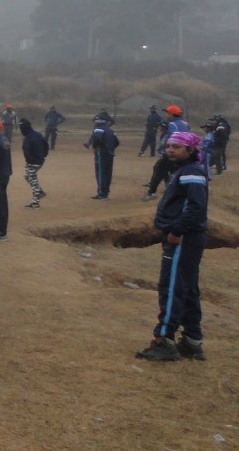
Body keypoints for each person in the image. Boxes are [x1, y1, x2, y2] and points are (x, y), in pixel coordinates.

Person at [135, 132, 209, 362]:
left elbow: (196, 208)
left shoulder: (191, 173)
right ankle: (192, 341)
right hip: (187, 238)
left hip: (183, 239)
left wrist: (176, 231)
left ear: (190, 150)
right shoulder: (184, 170)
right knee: (187, 287)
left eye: (176, 146)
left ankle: (164, 340)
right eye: (168, 146)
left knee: (172, 287)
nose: (170, 150)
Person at [143, 105, 188, 201]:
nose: (166, 115)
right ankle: (174, 190)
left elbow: (172, 138)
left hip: (172, 151)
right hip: (183, 151)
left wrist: (165, 149)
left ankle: (151, 193)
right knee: (174, 171)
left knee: (159, 169)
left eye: (168, 113)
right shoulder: (185, 123)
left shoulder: (172, 124)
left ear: (172, 114)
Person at [84, 116, 120, 199]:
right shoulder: (110, 130)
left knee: (100, 173)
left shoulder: (98, 129)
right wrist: (111, 149)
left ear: (98, 121)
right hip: (110, 154)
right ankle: (106, 192)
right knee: (108, 173)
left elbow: (97, 140)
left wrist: (95, 148)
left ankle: (101, 193)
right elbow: (117, 142)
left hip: (101, 154)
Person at [20, 118, 48, 209]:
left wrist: (29, 160)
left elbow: (26, 151)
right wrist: (44, 155)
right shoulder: (38, 134)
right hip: (40, 161)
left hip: (32, 162)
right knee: (27, 176)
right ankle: (40, 192)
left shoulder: (27, 138)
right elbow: (46, 145)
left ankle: (35, 203)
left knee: (32, 179)